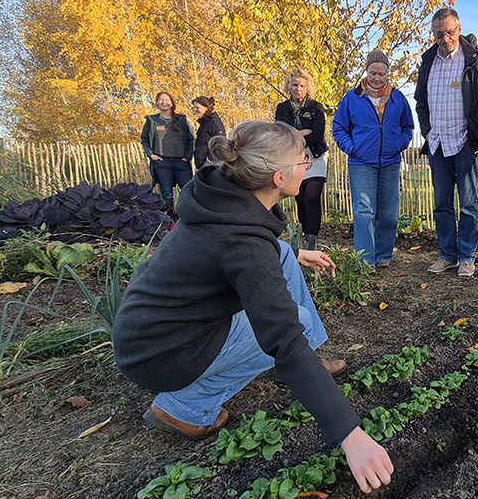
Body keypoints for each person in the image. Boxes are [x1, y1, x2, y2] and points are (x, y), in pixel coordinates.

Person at [114, 121, 394, 494]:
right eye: (303, 159)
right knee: (297, 326)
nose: (308, 165)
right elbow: (281, 336)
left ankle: (308, 357)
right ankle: (184, 407)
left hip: (150, 327)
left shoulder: (222, 200)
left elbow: (247, 253)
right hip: (159, 352)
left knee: (280, 256)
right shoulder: (242, 241)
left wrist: (294, 253)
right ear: (279, 177)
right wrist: (350, 434)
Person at [415, 8, 478, 277]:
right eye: (439, 34)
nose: (444, 38)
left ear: (459, 29)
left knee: (469, 203)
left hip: (465, 143)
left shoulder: (477, 59)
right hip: (438, 143)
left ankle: (466, 256)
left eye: (449, 32)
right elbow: (420, 101)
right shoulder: (428, 62)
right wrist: (427, 129)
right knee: (441, 203)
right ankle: (447, 255)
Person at [332, 50, 414, 268]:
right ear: (366, 72)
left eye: (381, 73)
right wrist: (351, 148)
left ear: (388, 74)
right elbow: (339, 127)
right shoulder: (352, 97)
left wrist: (399, 144)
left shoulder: (398, 98)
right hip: (361, 162)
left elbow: (408, 127)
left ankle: (383, 255)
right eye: (372, 73)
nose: (377, 78)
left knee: (388, 213)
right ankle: (365, 260)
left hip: (390, 161)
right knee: (364, 212)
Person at [275, 69, 329, 250]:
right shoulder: (282, 108)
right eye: (295, 85)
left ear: (308, 88)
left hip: (315, 156)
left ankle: (312, 238)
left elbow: (318, 134)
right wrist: (304, 132)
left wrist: (294, 134)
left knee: (312, 197)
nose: (298, 89)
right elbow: (281, 133)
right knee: (300, 197)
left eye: (302, 85)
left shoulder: (316, 107)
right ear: (289, 86)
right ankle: (305, 233)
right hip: (293, 158)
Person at [141, 91, 195, 210]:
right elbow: (144, 139)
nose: (164, 102)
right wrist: (151, 155)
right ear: (157, 103)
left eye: (166, 100)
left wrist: (187, 156)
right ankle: (170, 223)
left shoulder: (182, 120)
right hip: (162, 162)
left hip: (181, 162)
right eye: (161, 100)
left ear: (171, 103)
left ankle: (190, 219)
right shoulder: (152, 121)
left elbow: (191, 139)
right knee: (167, 196)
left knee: (188, 192)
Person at [192, 96, 226, 169]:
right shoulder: (205, 123)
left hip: (211, 164)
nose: (195, 110)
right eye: (194, 107)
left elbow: (221, 143)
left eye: (197, 108)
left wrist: (210, 159)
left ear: (206, 108)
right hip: (203, 163)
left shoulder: (214, 123)